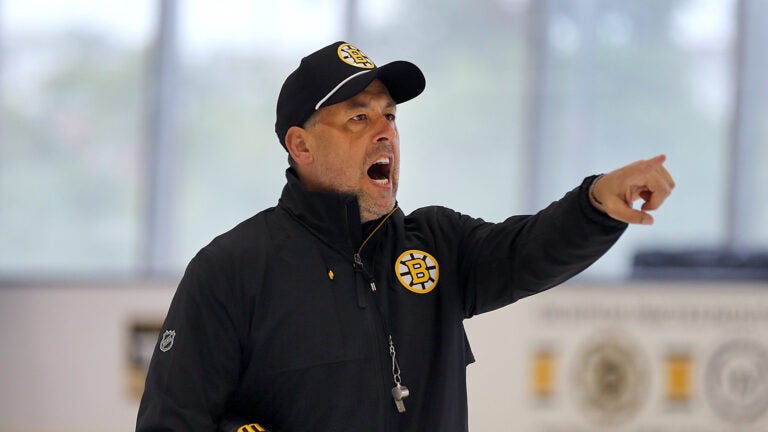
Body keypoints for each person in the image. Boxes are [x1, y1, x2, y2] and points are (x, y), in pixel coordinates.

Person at [136, 41, 674, 432]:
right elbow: (173, 422)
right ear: (301, 147)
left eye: (391, 115)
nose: (385, 131)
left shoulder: (437, 243)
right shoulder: (233, 269)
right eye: (358, 117)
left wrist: (597, 203)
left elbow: (528, 250)